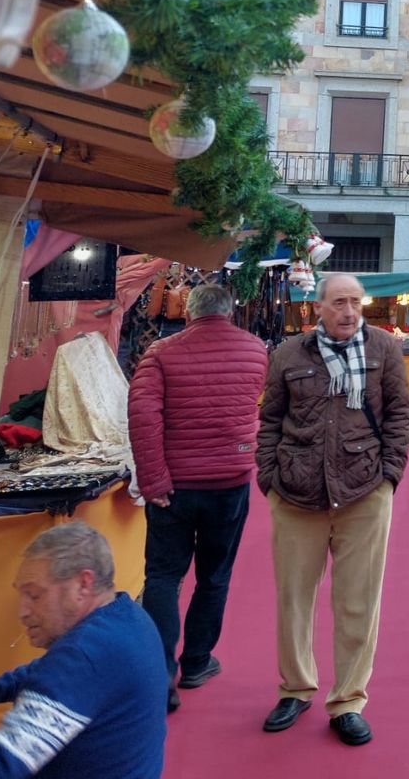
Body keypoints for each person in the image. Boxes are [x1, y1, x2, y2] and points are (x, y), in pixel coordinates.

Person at [257, 273, 409, 747]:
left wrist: (389, 476)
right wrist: (269, 477)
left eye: (356, 303)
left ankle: (348, 700)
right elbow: (268, 420)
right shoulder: (288, 354)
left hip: (364, 491)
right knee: (294, 599)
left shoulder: (384, 349)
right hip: (297, 492)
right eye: (339, 303)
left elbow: (400, 414)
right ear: (317, 307)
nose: (349, 312)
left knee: (358, 602)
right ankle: (296, 688)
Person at [0, 523, 166, 778]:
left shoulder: (83, 658)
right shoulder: (126, 615)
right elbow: (41, 670)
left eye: (35, 596)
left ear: (83, 585)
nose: (22, 612)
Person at [128, 282, 270, 712]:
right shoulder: (256, 350)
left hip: (175, 486)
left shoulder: (161, 353)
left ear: (188, 313)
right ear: (229, 311)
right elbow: (255, 407)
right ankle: (196, 662)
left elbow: (142, 417)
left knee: (163, 578)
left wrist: (153, 480)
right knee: (214, 576)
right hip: (229, 481)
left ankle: (161, 675)